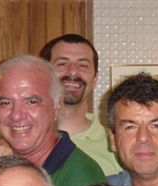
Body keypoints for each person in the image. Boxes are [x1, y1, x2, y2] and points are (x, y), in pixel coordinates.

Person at [0, 54, 106, 186]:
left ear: (56, 107)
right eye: (5, 103)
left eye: (31, 101)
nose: (16, 115)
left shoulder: (81, 177)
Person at [40, 34, 122, 175]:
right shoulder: (15, 136)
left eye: (83, 65)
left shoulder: (116, 145)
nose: (73, 72)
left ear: (95, 79)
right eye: (62, 64)